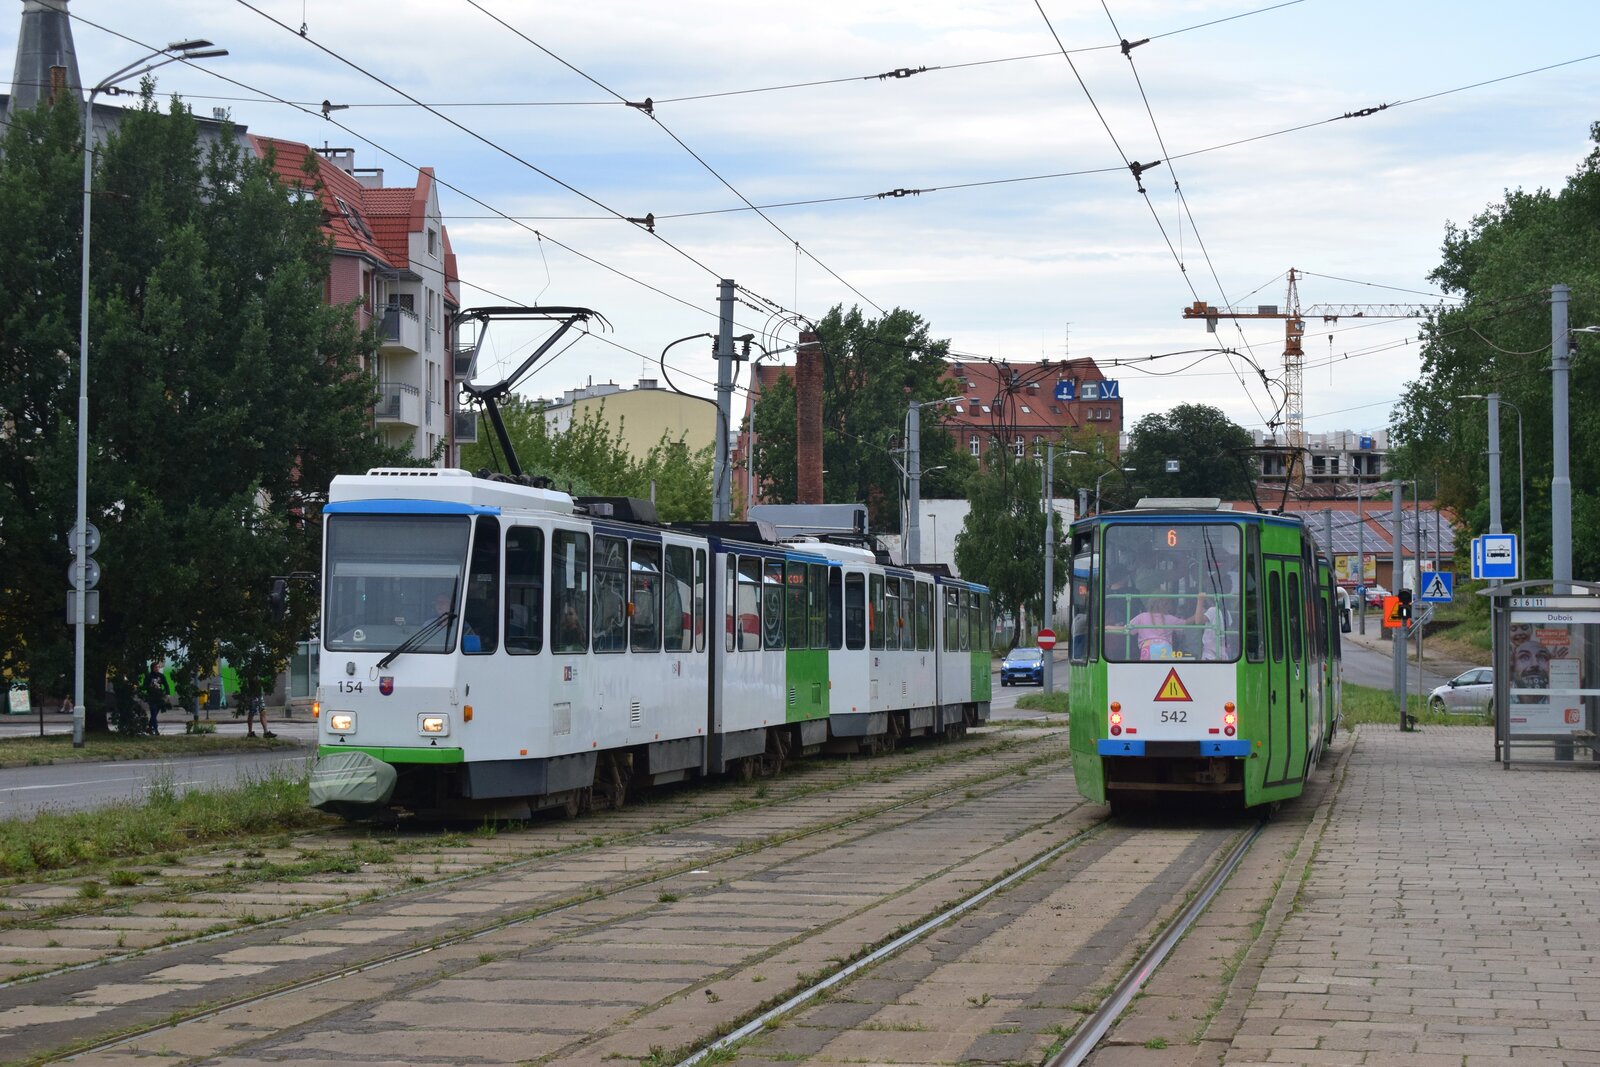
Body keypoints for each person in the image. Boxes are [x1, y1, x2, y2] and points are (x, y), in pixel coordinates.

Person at [1121, 596, 1188, 660]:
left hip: (1147, 647)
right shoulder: (1170, 618)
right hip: (1165, 647)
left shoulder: (1142, 616)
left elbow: (1125, 629)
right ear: (1167, 606)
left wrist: (1110, 627)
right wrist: (1198, 603)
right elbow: (1188, 623)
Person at [145, 664, 165, 734]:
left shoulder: (161, 676)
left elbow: (166, 684)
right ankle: (156, 729)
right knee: (153, 712)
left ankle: (149, 727)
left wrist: (167, 693)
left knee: (155, 714)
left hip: (159, 697)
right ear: (152, 668)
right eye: (155, 667)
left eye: (158, 667)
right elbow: (144, 685)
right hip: (151, 697)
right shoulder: (149, 676)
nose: (157, 668)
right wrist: (150, 687)